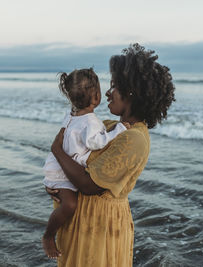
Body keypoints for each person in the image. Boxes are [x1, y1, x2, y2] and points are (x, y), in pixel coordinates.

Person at [46, 43, 176, 266]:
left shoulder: (133, 138)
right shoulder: (107, 126)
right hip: (81, 222)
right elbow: (72, 148)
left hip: (100, 228)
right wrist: (54, 183)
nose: (107, 92)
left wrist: (56, 150)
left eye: (114, 86)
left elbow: (88, 185)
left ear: (131, 92)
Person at [42, 68, 130, 258]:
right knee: (69, 205)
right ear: (96, 96)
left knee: (67, 204)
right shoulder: (90, 121)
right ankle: (48, 236)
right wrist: (119, 130)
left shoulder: (74, 114)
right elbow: (95, 141)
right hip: (61, 173)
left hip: (57, 167)